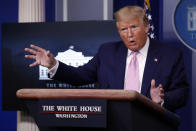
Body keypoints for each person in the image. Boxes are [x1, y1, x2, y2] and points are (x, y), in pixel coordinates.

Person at [24, 6, 189, 112]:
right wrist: (53, 65)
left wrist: (161, 100)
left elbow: (182, 93)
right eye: (124, 29)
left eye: (134, 27)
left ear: (146, 27)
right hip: (113, 124)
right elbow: (81, 76)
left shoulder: (170, 55)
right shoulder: (107, 52)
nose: (129, 34)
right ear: (119, 31)